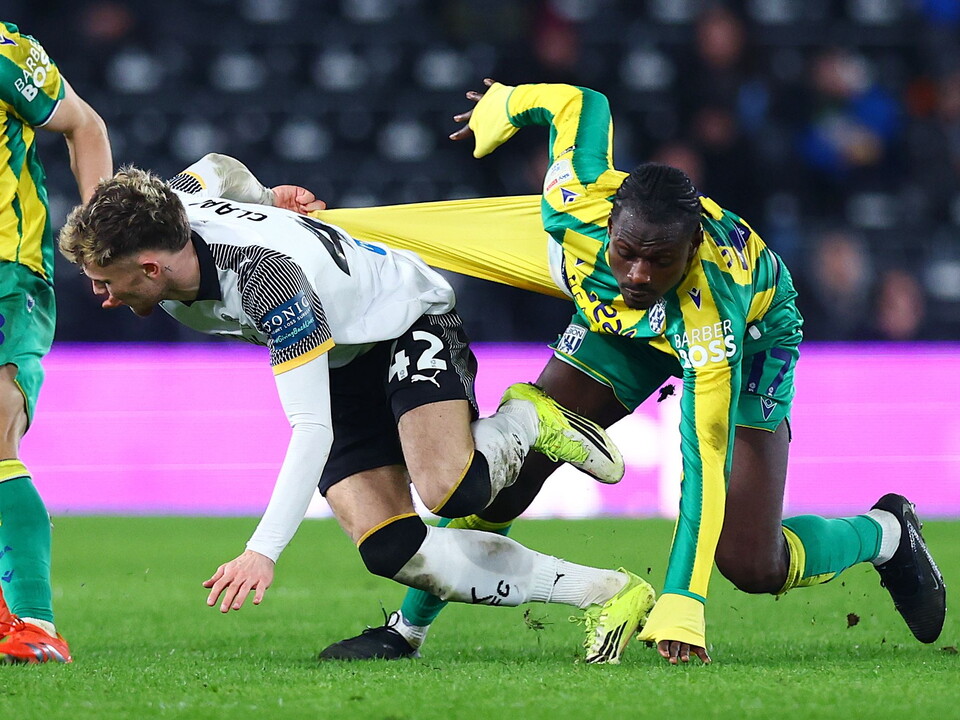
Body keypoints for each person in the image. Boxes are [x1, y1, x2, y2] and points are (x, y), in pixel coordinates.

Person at [316, 80, 946, 665]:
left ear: (692, 249)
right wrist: (506, 104)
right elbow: (580, 105)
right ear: (609, 225)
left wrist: (684, 603)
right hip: (623, 330)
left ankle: (886, 533)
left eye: (660, 260)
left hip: (754, 338)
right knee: (507, 475)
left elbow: (704, 458)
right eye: (627, 253)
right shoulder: (574, 202)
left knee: (751, 563)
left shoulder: (710, 311)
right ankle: (406, 631)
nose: (639, 274)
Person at [57, 153, 656, 664]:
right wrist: (267, 196)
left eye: (105, 282)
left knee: (456, 490)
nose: (101, 297)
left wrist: (261, 551)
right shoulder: (176, 206)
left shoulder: (269, 283)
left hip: (403, 317)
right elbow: (218, 168)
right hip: (337, 355)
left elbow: (310, 430)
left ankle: (529, 416)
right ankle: (607, 594)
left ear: (152, 267)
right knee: (391, 549)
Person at [0, 21, 112, 664]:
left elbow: (84, 126)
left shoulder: (6, 55)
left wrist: (105, 243)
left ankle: (36, 623)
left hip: (7, 273)